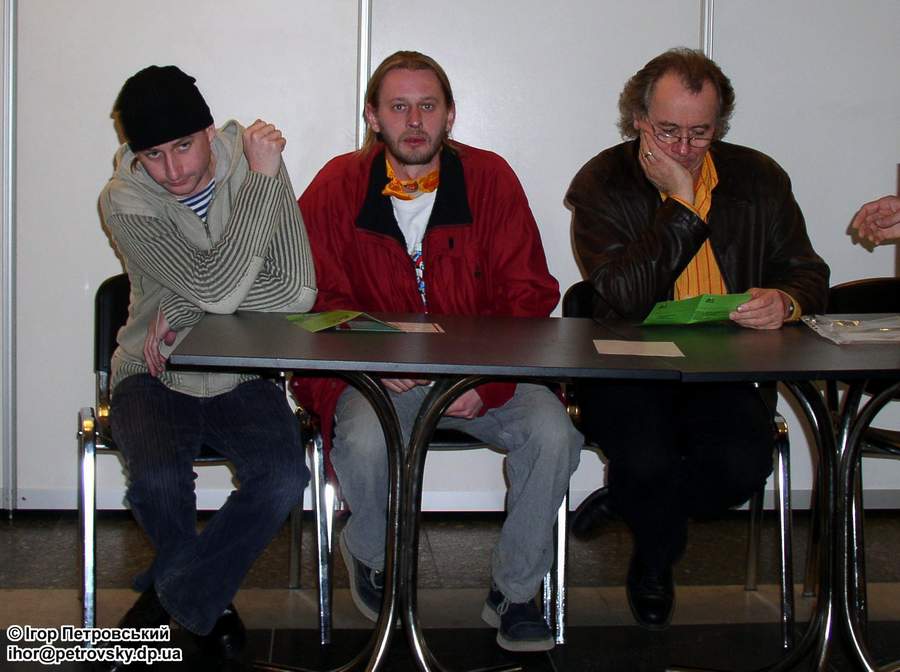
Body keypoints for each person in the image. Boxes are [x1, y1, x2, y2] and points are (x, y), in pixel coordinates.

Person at [293, 50, 582, 652]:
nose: (414, 121)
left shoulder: (490, 179)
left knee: (553, 434)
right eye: (399, 106)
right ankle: (372, 553)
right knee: (364, 441)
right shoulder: (337, 186)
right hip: (378, 378)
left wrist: (486, 382)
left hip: (482, 374)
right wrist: (374, 361)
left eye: (428, 106)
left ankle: (515, 591)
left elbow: (529, 293)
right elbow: (314, 298)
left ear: (450, 115)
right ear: (373, 116)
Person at [565, 48, 829, 630]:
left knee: (741, 466)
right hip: (628, 365)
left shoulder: (759, 178)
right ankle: (653, 561)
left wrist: (785, 300)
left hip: (724, 364)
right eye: (668, 131)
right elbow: (624, 297)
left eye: (700, 133)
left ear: (719, 126)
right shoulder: (601, 182)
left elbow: (808, 272)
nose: (683, 147)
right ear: (638, 120)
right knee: (647, 458)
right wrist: (682, 204)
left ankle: (630, 502)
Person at [98, 65, 316, 663]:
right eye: (153, 155)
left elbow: (298, 290)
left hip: (241, 368)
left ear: (208, 132)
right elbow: (218, 289)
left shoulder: (256, 161)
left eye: (183, 147)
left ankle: (173, 596)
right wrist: (201, 295)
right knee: (157, 482)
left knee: (283, 476)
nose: (173, 171)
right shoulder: (123, 198)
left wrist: (182, 302)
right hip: (154, 370)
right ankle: (205, 600)